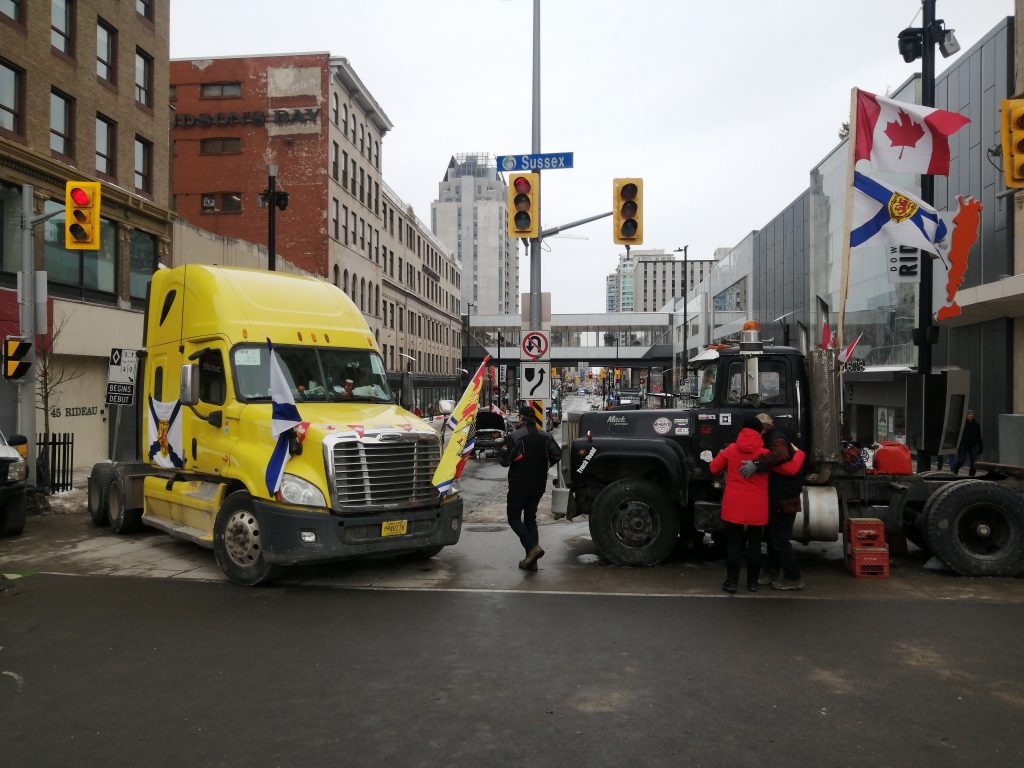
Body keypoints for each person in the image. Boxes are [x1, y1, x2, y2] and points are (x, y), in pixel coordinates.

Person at [741, 413, 807, 591]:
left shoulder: (777, 440)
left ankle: (794, 577)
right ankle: (772, 571)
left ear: (763, 428)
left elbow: (781, 454)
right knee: (772, 537)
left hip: (784, 499)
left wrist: (756, 463)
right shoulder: (773, 438)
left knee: (779, 539)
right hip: (778, 498)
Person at [708, 416, 770, 593]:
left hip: (734, 504)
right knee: (755, 545)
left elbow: (713, 468)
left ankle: (732, 582)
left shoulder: (731, 449)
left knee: (734, 543)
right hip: (757, 506)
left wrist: (723, 455)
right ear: (759, 432)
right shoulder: (765, 454)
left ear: (742, 431)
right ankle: (752, 583)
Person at [499, 404, 562, 571]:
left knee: (513, 518)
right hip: (539, 484)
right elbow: (557, 454)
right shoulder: (545, 436)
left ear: (520, 418)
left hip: (519, 484)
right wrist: (544, 465)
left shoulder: (515, 436)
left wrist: (504, 450)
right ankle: (531, 561)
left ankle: (532, 549)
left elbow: (504, 462)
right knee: (530, 519)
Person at [951, 409, 983, 476]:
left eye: (972, 414)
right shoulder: (961, 424)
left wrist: (980, 447)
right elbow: (956, 434)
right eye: (969, 414)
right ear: (966, 416)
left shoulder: (976, 425)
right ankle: (955, 469)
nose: (971, 415)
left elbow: (979, 437)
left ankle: (971, 475)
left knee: (974, 461)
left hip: (972, 445)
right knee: (962, 459)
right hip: (962, 445)